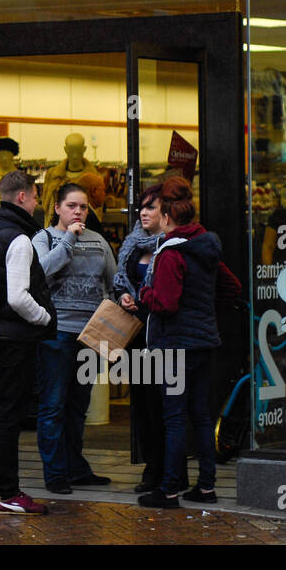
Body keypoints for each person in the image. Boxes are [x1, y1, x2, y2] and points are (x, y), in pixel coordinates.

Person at [138, 176, 241, 509]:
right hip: (203, 342)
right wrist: (205, 311)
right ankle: (206, 487)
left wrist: (143, 293)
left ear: (167, 217)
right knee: (200, 416)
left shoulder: (170, 253)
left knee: (174, 419)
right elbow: (232, 287)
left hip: (174, 345)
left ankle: (168, 490)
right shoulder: (205, 246)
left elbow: (165, 303)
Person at [0, 170, 56, 515]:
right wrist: (44, 318)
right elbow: (19, 297)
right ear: (22, 197)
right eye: (36, 196)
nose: (38, 202)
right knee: (10, 414)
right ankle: (7, 491)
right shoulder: (20, 239)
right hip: (16, 338)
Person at [32, 182, 116, 494]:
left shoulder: (99, 242)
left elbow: (112, 281)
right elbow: (39, 272)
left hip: (91, 335)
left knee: (78, 406)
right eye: (71, 206)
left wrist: (123, 301)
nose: (78, 211)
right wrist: (67, 240)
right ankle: (55, 473)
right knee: (53, 404)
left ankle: (75, 467)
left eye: (82, 207)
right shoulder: (44, 239)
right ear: (57, 208)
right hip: (57, 334)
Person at [113, 184, 170, 493]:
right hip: (136, 334)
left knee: (164, 405)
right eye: (142, 208)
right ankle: (151, 468)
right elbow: (120, 280)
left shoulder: (172, 245)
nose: (144, 213)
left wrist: (146, 301)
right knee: (143, 405)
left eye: (151, 207)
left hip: (162, 333)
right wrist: (123, 295)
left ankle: (167, 470)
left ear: (165, 213)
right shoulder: (133, 244)